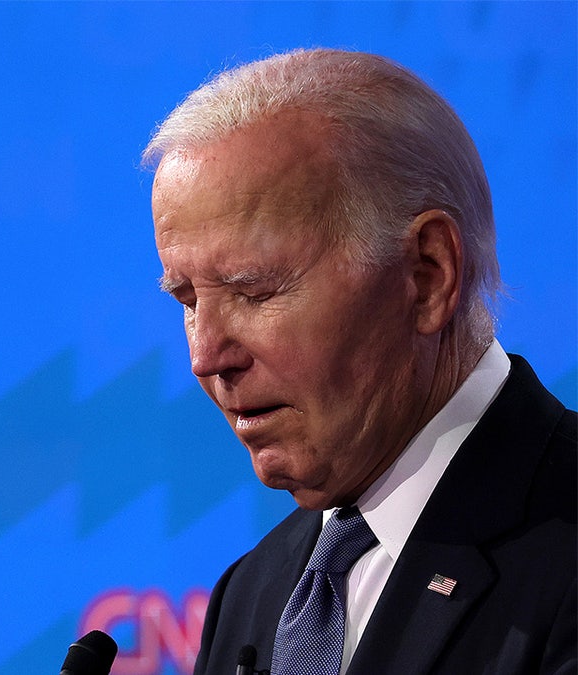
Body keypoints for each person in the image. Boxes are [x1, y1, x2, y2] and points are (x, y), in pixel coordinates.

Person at [142, 48, 576, 674]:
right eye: (187, 300)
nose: (206, 357)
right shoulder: (252, 593)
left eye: (253, 290)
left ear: (426, 277)